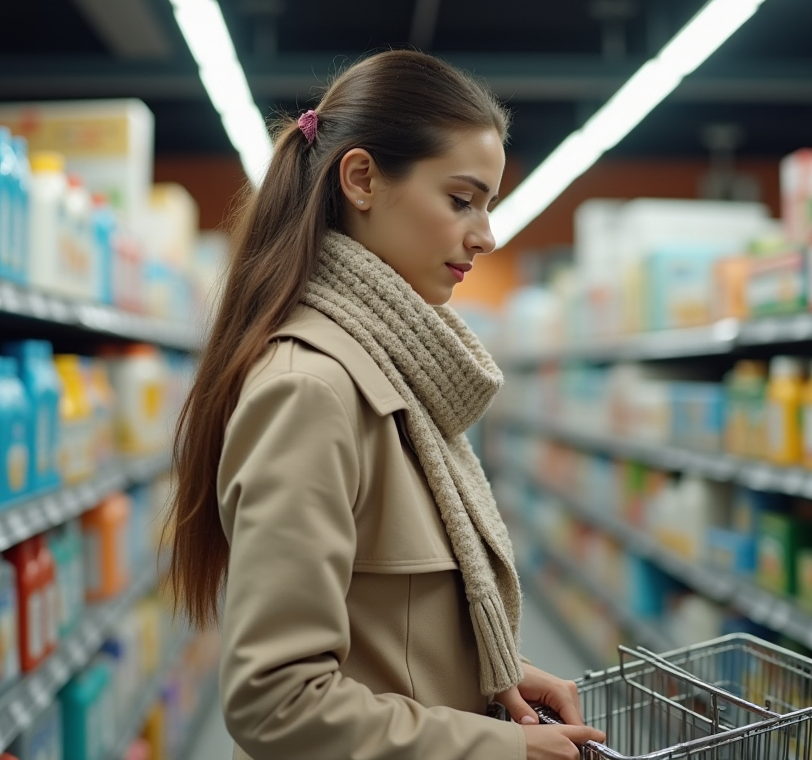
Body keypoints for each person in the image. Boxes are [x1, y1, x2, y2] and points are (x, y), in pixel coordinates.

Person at [164, 50, 606, 760]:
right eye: (462, 199)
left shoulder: (398, 375)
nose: (485, 235)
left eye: (487, 204)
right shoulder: (310, 392)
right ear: (362, 179)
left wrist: (491, 676)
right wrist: (498, 750)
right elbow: (276, 702)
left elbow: (381, 633)